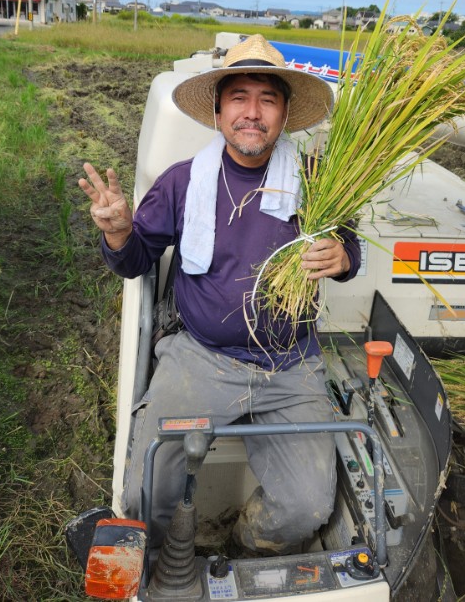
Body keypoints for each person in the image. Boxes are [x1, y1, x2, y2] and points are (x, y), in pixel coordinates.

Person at [79, 34, 361, 556]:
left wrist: (343, 256)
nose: (252, 113)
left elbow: (348, 246)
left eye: (267, 99)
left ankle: (242, 543)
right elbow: (136, 260)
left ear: (283, 113)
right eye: (239, 97)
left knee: (307, 506)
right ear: (217, 111)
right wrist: (119, 231)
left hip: (291, 364)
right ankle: (164, 560)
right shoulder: (184, 182)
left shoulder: (315, 181)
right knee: (145, 485)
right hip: (202, 356)